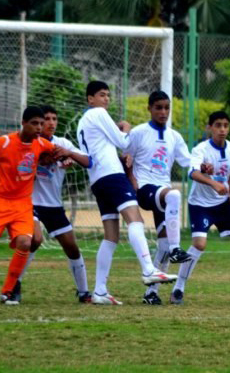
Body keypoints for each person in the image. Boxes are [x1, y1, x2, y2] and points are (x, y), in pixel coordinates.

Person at [77, 81, 176, 306]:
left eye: (108, 95)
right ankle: (148, 268)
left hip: (97, 180)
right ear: (90, 99)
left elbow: (101, 148)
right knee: (136, 219)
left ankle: (100, 290)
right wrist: (126, 128)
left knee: (111, 236)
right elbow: (123, 141)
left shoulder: (83, 122)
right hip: (112, 176)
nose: (106, 99)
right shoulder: (98, 114)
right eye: (101, 95)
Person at [169, 111, 230, 305]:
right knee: (199, 244)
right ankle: (178, 289)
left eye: (225, 125)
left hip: (223, 205)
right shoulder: (201, 150)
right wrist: (214, 184)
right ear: (209, 128)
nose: (222, 129)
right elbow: (193, 173)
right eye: (218, 125)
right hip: (200, 205)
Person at [8, 105, 93, 303]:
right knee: (35, 240)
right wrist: (39, 160)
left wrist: (69, 154)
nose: (51, 123)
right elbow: (16, 167)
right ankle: (14, 286)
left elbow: (88, 161)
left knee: (72, 247)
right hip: (30, 203)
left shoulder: (62, 143)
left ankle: (84, 293)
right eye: (47, 119)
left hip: (54, 205)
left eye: (55, 119)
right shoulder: (29, 144)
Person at [0, 106, 54, 305]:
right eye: (34, 123)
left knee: (25, 243)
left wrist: (65, 159)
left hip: (22, 206)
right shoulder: (4, 143)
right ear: (23, 123)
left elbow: (57, 154)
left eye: (41, 124)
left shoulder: (43, 144)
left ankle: (8, 292)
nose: (39, 127)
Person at [123, 90, 194, 305]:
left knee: (162, 245)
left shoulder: (174, 137)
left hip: (161, 195)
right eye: (159, 108)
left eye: (166, 108)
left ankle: (151, 293)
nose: (163, 112)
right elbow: (125, 157)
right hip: (145, 190)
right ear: (150, 109)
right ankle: (176, 248)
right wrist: (131, 181)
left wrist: (204, 169)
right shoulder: (139, 133)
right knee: (174, 194)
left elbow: (188, 163)